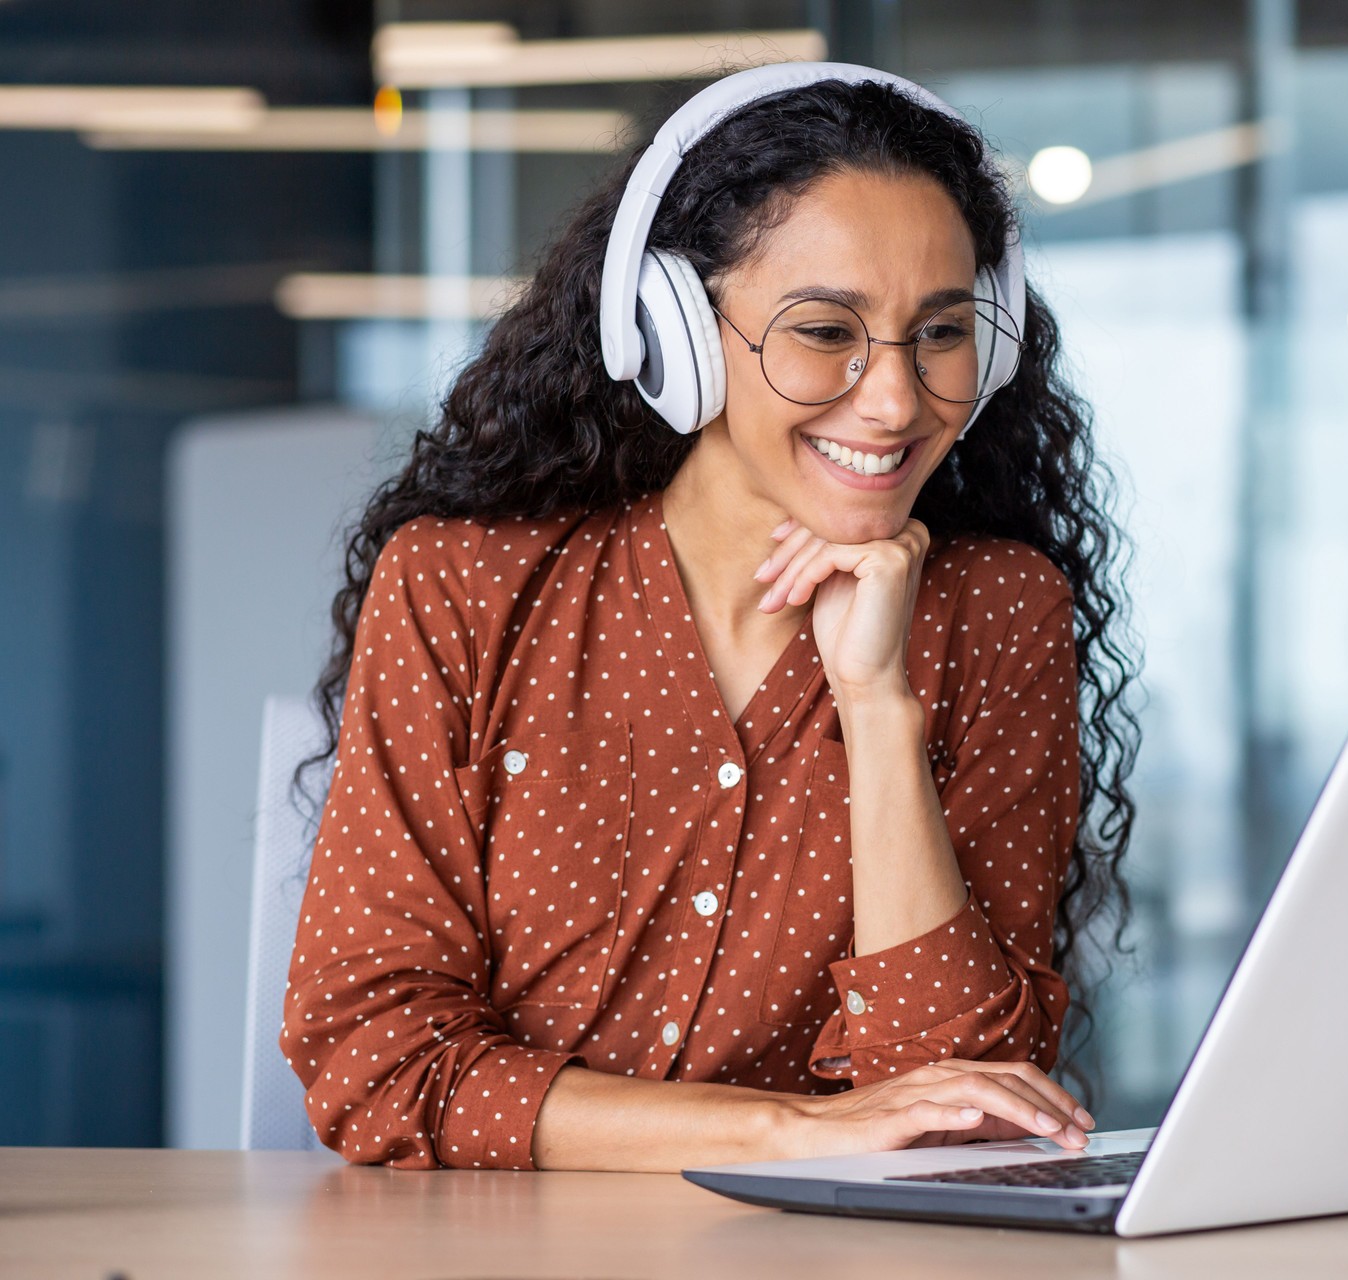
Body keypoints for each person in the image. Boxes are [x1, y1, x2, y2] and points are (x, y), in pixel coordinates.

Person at [281, 64, 1139, 1173]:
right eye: (825, 330)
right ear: (674, 332)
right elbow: (376, 1058)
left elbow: (962, 1100)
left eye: (940, 332)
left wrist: (879, 711)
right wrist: (782, 1128)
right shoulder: (462, 588)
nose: (894, 400)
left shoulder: (998, 612)